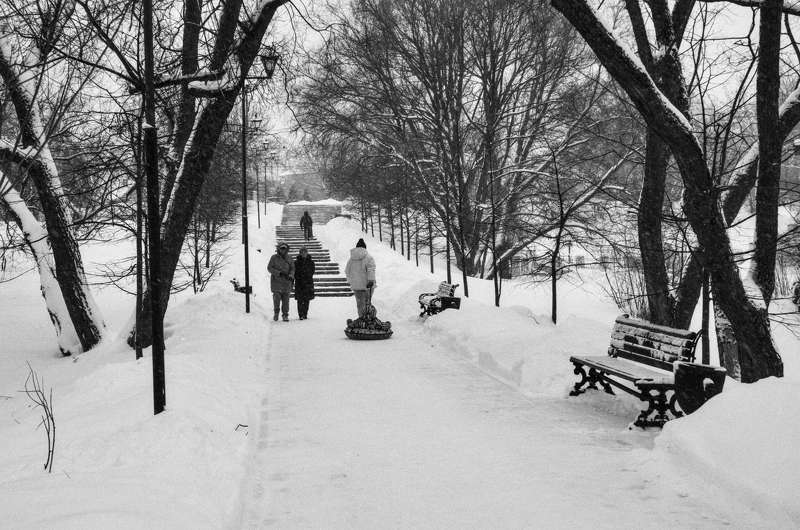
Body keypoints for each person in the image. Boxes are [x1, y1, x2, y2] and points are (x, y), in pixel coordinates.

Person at [344, 238, 376, 317]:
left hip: (356, 286)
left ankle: (361, 319)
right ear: (365, 248)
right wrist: (371, 280)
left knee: (360, 304)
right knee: (367, 303)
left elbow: (347, 271)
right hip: (367, 285)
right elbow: (371, 269)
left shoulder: (351, 259)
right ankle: (368, 319)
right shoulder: (369, 258)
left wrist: (351, 281)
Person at [267, 243, 294, 321]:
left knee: (286, 300)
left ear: (287, 249)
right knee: (276, 299)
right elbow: (269, 268)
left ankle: (285, 315)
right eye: (281, 248)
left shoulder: (289, 258)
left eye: (284, 248)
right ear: (279, 249)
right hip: (276, 282)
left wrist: (291, 275)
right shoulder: (274, 257)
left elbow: (293, 268)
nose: (283, 250)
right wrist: (278, 273)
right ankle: (276, 313)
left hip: (286, 282)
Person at [294, 246, 316, 320]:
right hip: (299, 283)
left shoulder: (311, 262)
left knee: (307, 299)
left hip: (308, 282)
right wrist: (299, 277)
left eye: (305, 252)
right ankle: (300, 315)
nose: (303, 253)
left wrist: (306, 277)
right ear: (300, 253)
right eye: (302, 252)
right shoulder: (296, 262)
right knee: (300, 300)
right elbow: (295, 272)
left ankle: (305, 314)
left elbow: (312, 271)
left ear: (307, 253)